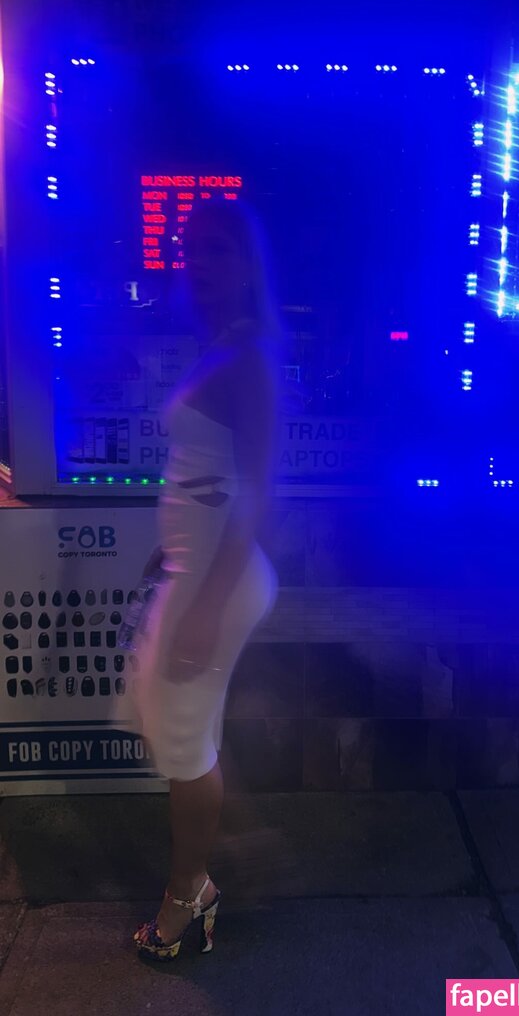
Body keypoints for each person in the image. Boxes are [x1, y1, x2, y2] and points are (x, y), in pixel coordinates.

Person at [128, 197, 284, 961]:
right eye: (192, 249)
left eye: (219, 249)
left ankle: (188, 898)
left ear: (249, 264)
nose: (200, 263)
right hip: (196, 568)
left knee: (185, 741)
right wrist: (172, 549)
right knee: (181, 727)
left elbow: (257, 491)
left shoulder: (249, 358)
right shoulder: (221, 346)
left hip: (217, 582)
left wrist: (206, 605)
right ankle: (207, 878)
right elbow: (205, 474)